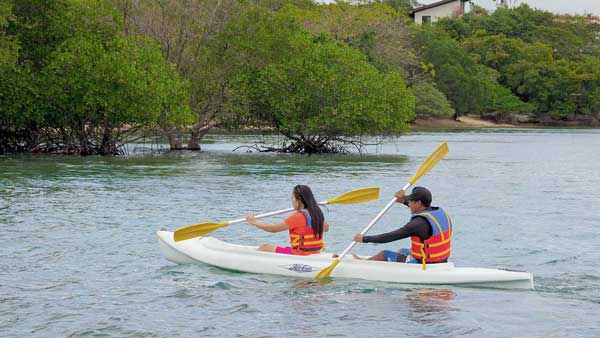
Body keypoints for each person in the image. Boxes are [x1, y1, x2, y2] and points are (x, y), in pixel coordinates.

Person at [352, 186, 452, 270]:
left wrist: (364, 238)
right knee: (402, 251)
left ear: (418, 203)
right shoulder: (439, 213)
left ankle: (360, 265)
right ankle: (374, 263)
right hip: (441, 260)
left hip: (424, 264)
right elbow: (415, 205)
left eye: (410, 201)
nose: (408, 203)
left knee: (383, 254)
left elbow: (389, 237)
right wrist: (402, 200)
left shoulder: (417, 224)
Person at [245, 185, 329, 255]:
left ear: (298, 200)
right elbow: (326, 228)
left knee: (265, 247)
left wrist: (254, 222)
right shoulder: (317, 214)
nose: (291, 201)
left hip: (299, 253)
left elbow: (272, 229)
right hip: (315, 252)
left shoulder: (298, 217)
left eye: (292, 198)